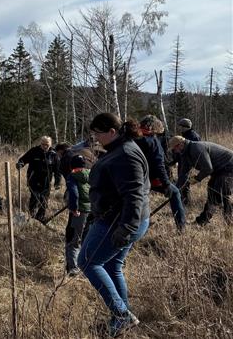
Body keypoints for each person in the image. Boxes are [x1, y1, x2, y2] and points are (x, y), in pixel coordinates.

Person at [78, 113, 150, 337]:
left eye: (98, 133)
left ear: (112, 131)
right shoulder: (120, 149)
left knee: (87, 261)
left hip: (117, 222)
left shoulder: (126, 154)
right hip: (117, 219)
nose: (96, 138)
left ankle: (122, 315)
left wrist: (126, 228)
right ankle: (122, 317)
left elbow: (134, 195)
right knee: (111, 265)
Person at [134, 115, 186, 230]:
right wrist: (166, 183)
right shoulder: (153, 142)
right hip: (151, 179)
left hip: (132, 178)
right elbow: (159, 165)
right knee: (175, 193)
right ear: (154, 127)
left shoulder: (132, 138)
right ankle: (181, 226)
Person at [169, 136, 233, 226]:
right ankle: (203, 221)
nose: (174, 151)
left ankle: (228, 221)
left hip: (229, 167)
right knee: (212, 192)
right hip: (219, 170)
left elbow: (208, 168)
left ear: (180, 145)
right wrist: (177, 189)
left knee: (221, 193)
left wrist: (197, 178)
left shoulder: (196, 148)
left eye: (174, 149)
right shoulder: (185, 153)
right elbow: (183, 173)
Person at [16, 136, 61, 221]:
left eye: (47, 144)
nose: (44, 146)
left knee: (44, 200)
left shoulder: (53, 154)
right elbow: (23, 159)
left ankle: (40, 218)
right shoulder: (34, 151)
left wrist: (57, 183)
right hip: (33, 179)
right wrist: (20, 164)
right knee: (35, 197)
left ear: (50, 144)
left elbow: (57, 171)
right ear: (40, 143)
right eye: (43, 144)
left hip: (46, 182)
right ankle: (31, 216)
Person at [64, 153, 91, 276]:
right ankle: (86, 267)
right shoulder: (91, 174)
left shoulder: (72, 176)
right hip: (92, 211)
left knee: (73, 239)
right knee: (86, 239)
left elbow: (74, 193)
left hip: (79, 212)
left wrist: (74, 208)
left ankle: (73, 269)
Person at [175, 118, 201, 205]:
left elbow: (197, 151)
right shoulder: (184, 135)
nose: (179, 128)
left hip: (188, 163)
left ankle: (185, 201)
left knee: (184, 181)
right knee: (182, 180)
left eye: (181, 126)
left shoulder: (193, 136)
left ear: (185, 127)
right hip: (182, 161)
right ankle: (183, 199)